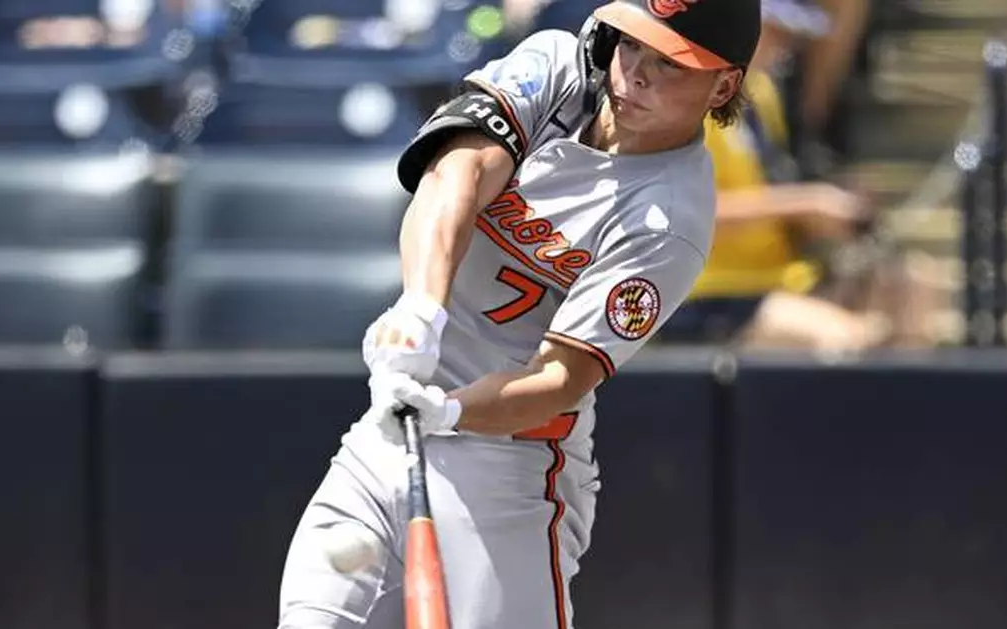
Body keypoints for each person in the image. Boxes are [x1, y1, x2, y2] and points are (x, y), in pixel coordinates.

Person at [275, 0, 761, 627]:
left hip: (509, 469)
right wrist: (422, 309)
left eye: (669, 63)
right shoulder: (556, 66)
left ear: (722, 85)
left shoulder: (669, 220)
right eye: (631, 44)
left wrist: (450, 411)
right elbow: (457, 173)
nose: (635, 73)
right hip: (393, 415)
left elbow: (559, 379)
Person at [662, 0, 939, 351]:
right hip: (710, 294)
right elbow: (683, 214)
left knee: (912, 284)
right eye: (775, 33)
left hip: (779, 279)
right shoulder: (688, 103)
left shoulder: (762, 95)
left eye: (790, 36)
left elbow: (773, 189)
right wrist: (806, 204)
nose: (785, 48)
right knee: (844, 338)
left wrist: (833, 207)